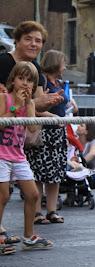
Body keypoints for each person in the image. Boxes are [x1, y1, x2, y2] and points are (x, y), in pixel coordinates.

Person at [0, 61, 53, 253]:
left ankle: (29, 236)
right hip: (1, 155)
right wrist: (16, 108)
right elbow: (1, 123)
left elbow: (31, 128)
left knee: (33, 194)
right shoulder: (3, 98)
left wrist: (28, 105)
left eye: (29, 80)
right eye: (21, 78)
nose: (25, 83)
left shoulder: (29, 103)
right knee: (3, 196)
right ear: (12, 80)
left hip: (18, 155)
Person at [25, 50, 69, 225]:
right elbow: (36, 107)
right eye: (63, 62)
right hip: (43, 131)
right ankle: (37, 212)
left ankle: (52, 211)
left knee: (55, 174)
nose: (65, 66)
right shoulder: (41, 80)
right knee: (39, 173)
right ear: (56, 63)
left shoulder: (58, 82)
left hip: (58, 133)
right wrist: (52, 117)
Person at [0, 20, 63, 111]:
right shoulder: (3, 62)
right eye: (28, 39)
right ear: (17, 41)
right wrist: (33, 103)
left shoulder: (36, 67)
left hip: (25, 123)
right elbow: (8, 105)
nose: (33, 44)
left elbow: (38, 107)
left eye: (38, 41)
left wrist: (48, 103)